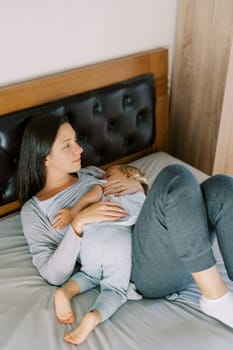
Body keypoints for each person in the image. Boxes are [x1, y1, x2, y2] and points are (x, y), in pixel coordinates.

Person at [18, 113, 233, 345]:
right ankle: (216, 298)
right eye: (67, 145)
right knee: (174, 175)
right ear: (44, 158)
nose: (79, 150)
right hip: (138, 270)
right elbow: (52, 274)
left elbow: (138, 204)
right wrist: (78, 223)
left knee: (221, 185)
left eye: (76, 141)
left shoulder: (90, 173)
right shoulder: (34, 211)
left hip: (165, 240)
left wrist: (141, 187)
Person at [52, 164, 147, 343]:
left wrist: (72, 212)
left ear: (126, 173)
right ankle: (93, 317)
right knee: (116, 290)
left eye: (108, 173)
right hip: (119, 242)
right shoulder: (141, 195)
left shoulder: (104, 186)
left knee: (88, 274)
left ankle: (65, 292)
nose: (104, 175)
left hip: (92, 239)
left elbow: (91, 196)